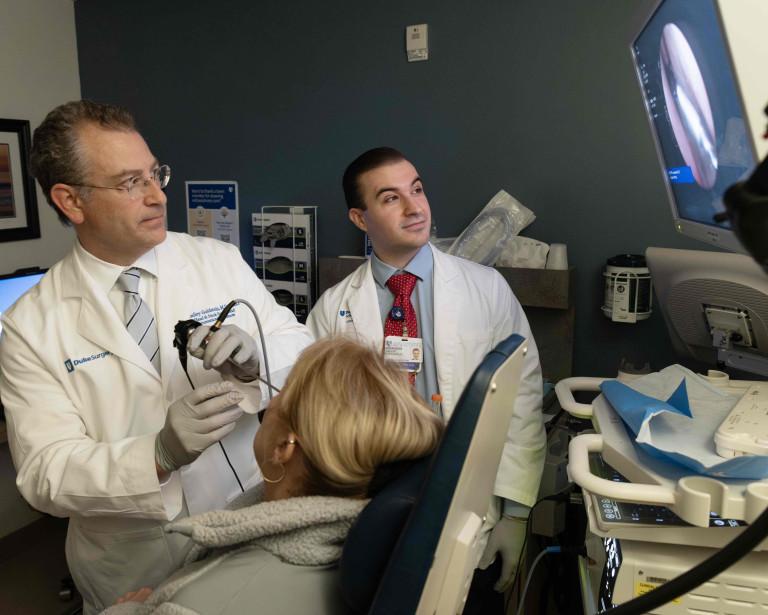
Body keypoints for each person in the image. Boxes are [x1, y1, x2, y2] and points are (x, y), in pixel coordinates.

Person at [0, 100, 313, 614]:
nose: (157, 195)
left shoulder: (216, 262)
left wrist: (259, 361)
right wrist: (156, 456)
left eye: (155, 174)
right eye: (130, 183)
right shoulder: (31, 324)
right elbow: (44, 473)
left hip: (247, 517)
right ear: (71, 201)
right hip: (132, 560)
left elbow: (302, 351)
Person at [306, 147, 546, 604]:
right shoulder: (331, 311)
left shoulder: (486, 289)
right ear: (359, 218)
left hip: (467, 498)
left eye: (416, 190)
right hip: (372, 505)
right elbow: (318, 419)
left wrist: (516, 513)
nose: (415, 208)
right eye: (390, 198)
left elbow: (522, 396)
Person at [101, 338, 444, 614]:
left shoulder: (198, 604)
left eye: (284, 390)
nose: (271, 396)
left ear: (283, 447)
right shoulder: (373, 545)